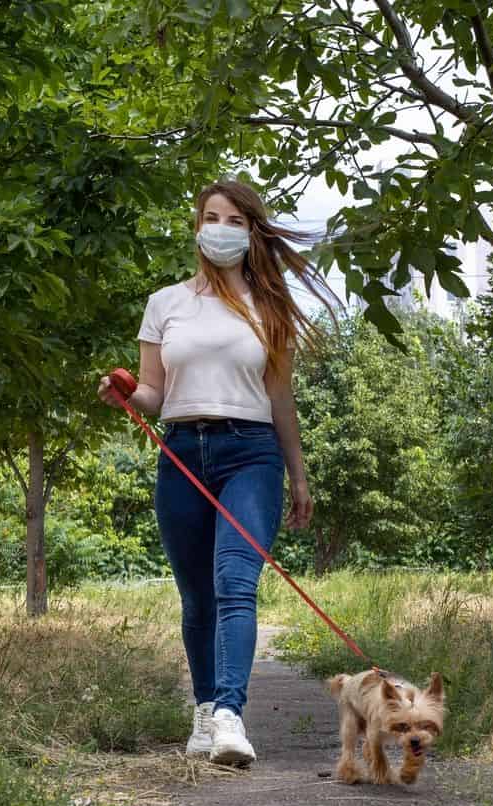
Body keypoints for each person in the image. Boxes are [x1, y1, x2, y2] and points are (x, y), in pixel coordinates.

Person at [98, 179, 339, 766]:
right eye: (212, 217)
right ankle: (204, 710)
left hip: (251, 453)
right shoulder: (166, 303)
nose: (222, 229)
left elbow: (281, 400)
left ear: (252, 230)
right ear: (197, 226)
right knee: (197, 598)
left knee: (235, 582)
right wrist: (126, 394)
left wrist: (298, 477)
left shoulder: (271, 306)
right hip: (182, 451)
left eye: (235, 220)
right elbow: (155, 390)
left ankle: (231, 714)